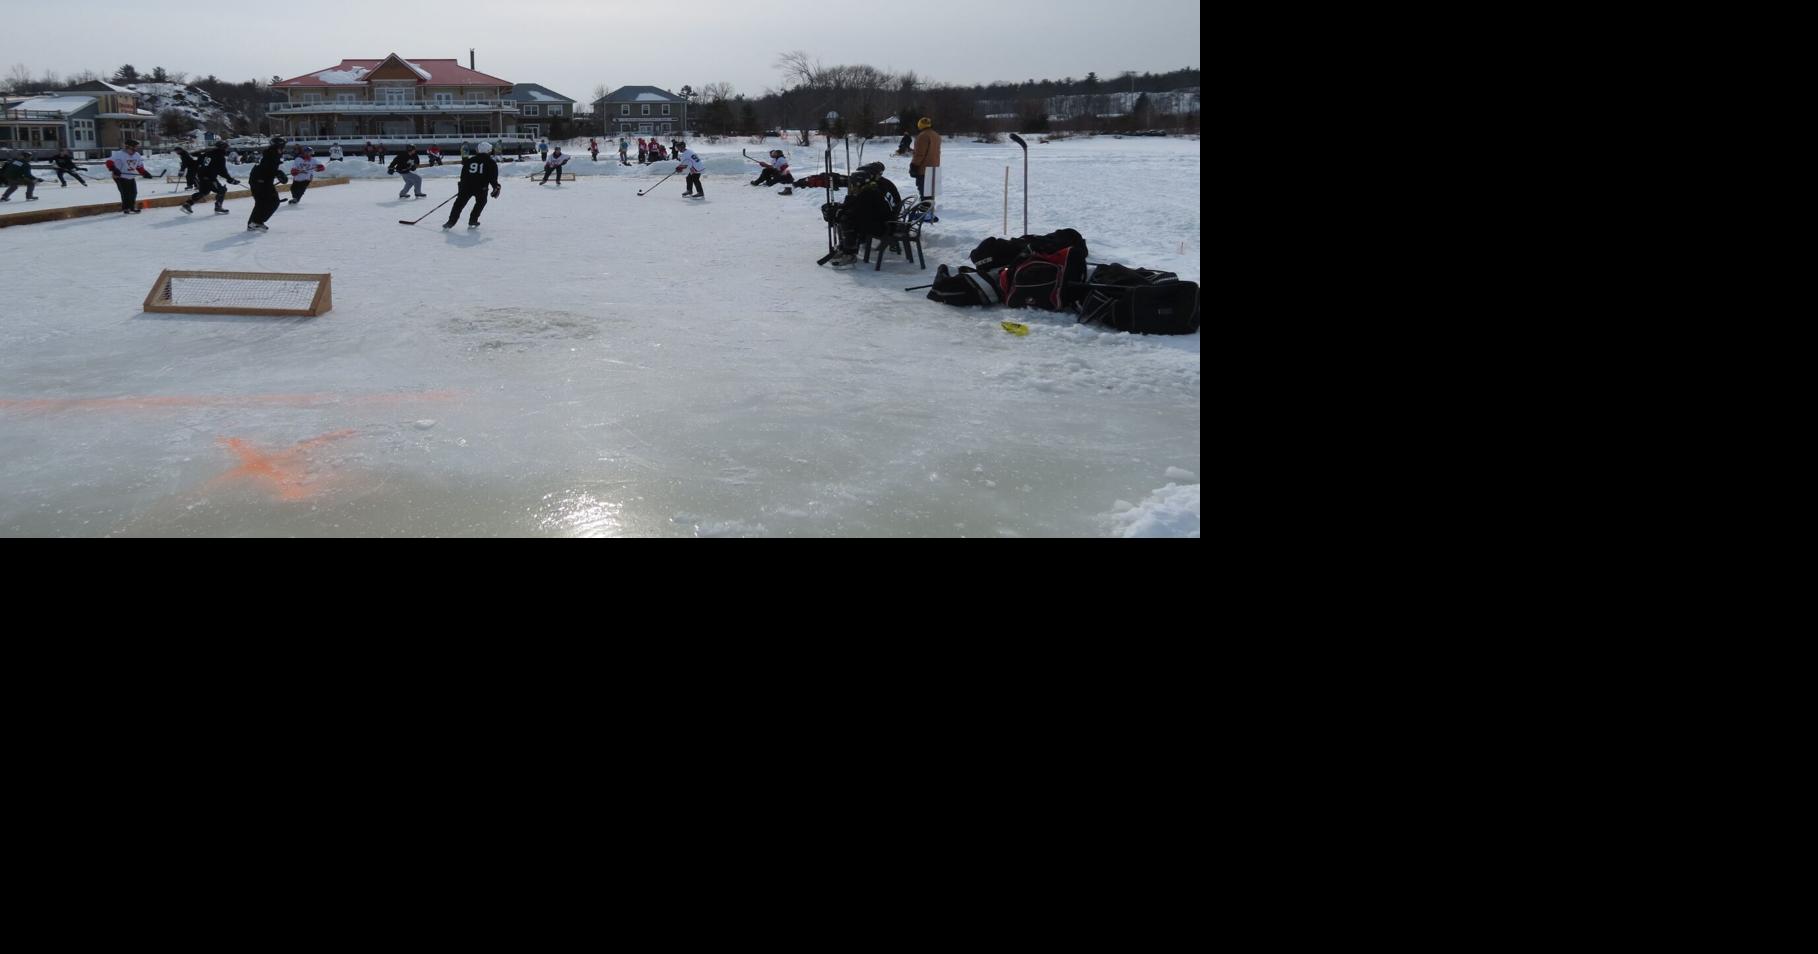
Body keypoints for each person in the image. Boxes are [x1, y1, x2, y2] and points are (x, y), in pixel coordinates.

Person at [824, 164, 902, 266]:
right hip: (887, 222)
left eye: (853, 184)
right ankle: (844, 248)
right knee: (847, 218)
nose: (852, 186)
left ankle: (849, 254)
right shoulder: (875, 187)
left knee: (847, 220)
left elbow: (857, 212)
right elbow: (859, 208)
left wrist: (838, 212)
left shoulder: (868, 193)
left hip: (884, 227)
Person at [444, 140, 500, 230]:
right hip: (481, 188)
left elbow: (463, 175)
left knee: (459, 204)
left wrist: (461, 186)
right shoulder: (491, 162)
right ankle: (473, 220)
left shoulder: (470, 160)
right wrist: (496, 187)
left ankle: (450, 222)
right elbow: (493, 178)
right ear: (489, 151)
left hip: (466, 187)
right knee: (481, 203)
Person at [244, 135, 290, 231]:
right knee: (274, 202)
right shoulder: (271, 155)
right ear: (278, 147)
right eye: (282, 147)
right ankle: (257, 222)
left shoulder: (270, 153)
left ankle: (252, 223)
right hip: (261, 181)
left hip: (258, 180)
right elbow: (267, 168)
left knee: (261, 203)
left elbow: (267, 168)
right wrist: (278, 173)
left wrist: (277, 174)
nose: (283, 149)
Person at [180, 141, 238, 215]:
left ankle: (187, 204)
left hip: (201, 176)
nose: (227, 149)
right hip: (210, 178)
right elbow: (222, 171)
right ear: (222, 148)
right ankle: (218, 207)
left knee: (204, 192)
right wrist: (230, 179)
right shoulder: (220, 156)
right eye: (226, 148)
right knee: (222, 190)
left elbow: (198, 162)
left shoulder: (207, 154)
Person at [105, 138, 156, 213]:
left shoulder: (137, 155)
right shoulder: (119, 154)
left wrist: (145, 173)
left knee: (133, 192)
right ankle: (126, 208)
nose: (136, 149)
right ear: (129, 147)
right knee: (125, 193)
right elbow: (109, 162)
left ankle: (132, 207)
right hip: (119, 176)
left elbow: (139, 166)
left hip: (130, 176)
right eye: (135, 147)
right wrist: (114, 169)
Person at [910, 116, 942, 200]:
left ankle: (925, 207)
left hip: (924, 169)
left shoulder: (922, 136)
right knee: (930, 193)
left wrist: (914, 166)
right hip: (934, 168)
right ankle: (930, 206)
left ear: (919, 125)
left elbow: (919, 154)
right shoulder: (936, 135)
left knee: (924, 193)